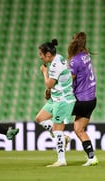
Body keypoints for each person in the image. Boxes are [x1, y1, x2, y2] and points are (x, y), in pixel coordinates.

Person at [38, 39, 76, 167]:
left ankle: (61, 160)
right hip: (55, 97)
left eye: (41, 54)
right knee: (40, 118)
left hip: (63, 100)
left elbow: (49, 83)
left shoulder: (55, 65)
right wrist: (50, 90)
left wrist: (44, 72)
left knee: (57, 128)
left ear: (48, 55)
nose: (40, 57)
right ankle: (63, 138)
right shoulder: (59, 58)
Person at [67, 32, 98, 166]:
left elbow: (69, 83)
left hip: (82, 100)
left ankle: (61, 137)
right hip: (91, 100)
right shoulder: (86, 55)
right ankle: (92, 157)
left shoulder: (74, 61)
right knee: (79, 129)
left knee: (55, 111)